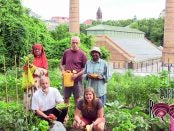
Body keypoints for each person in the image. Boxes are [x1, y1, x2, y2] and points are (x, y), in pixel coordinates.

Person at [60, 36, 87, 105]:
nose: (75, 44)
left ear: (79, 43)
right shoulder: (66, 52)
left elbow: (85, 68)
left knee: (77, 99)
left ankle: (76, 115)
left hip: (77, 80)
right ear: (71, 43)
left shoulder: (82, 54)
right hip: (67, 79)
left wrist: (77, 75)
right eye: (73, 42)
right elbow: (62, 64)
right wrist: (63, 71)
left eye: (76, 43)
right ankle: (66, 115)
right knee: (66, 98)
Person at [23, 43, 48, 110]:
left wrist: (34, 68)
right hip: (30, 82)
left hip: (39, 82)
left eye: (38, 49)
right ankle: (29, 113)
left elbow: (45, 71)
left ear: (41, 50)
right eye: (35, 49)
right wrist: (27, 66)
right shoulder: (30, 58)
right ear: (33, 50)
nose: (37, 51)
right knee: (30, 97)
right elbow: (25, 70)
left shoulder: (43, 59)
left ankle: (39, 113)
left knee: (39, 98)